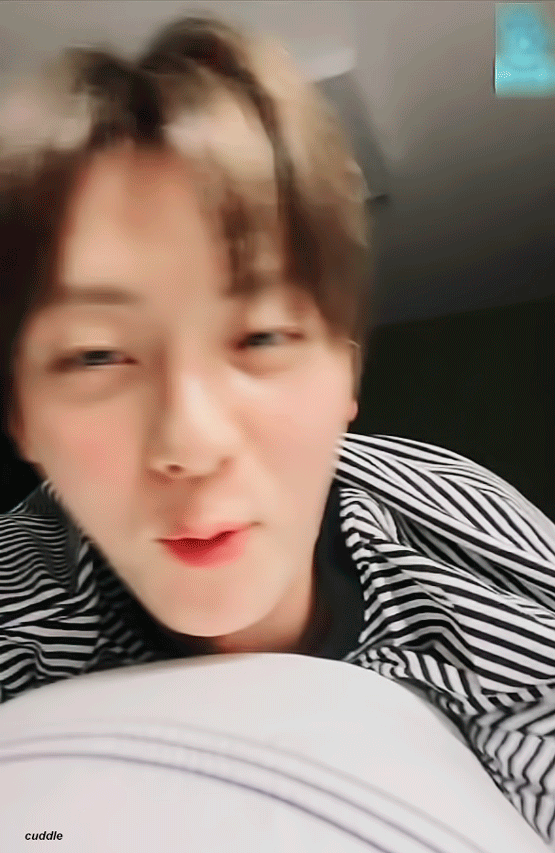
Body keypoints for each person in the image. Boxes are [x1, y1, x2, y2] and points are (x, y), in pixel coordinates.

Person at [0, 12, 555, 847]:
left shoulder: (476, 560)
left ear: (346, 375)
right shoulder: (20, 602)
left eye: (260, 338)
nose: (189, 444)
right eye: (96, 354)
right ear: (22, 418)